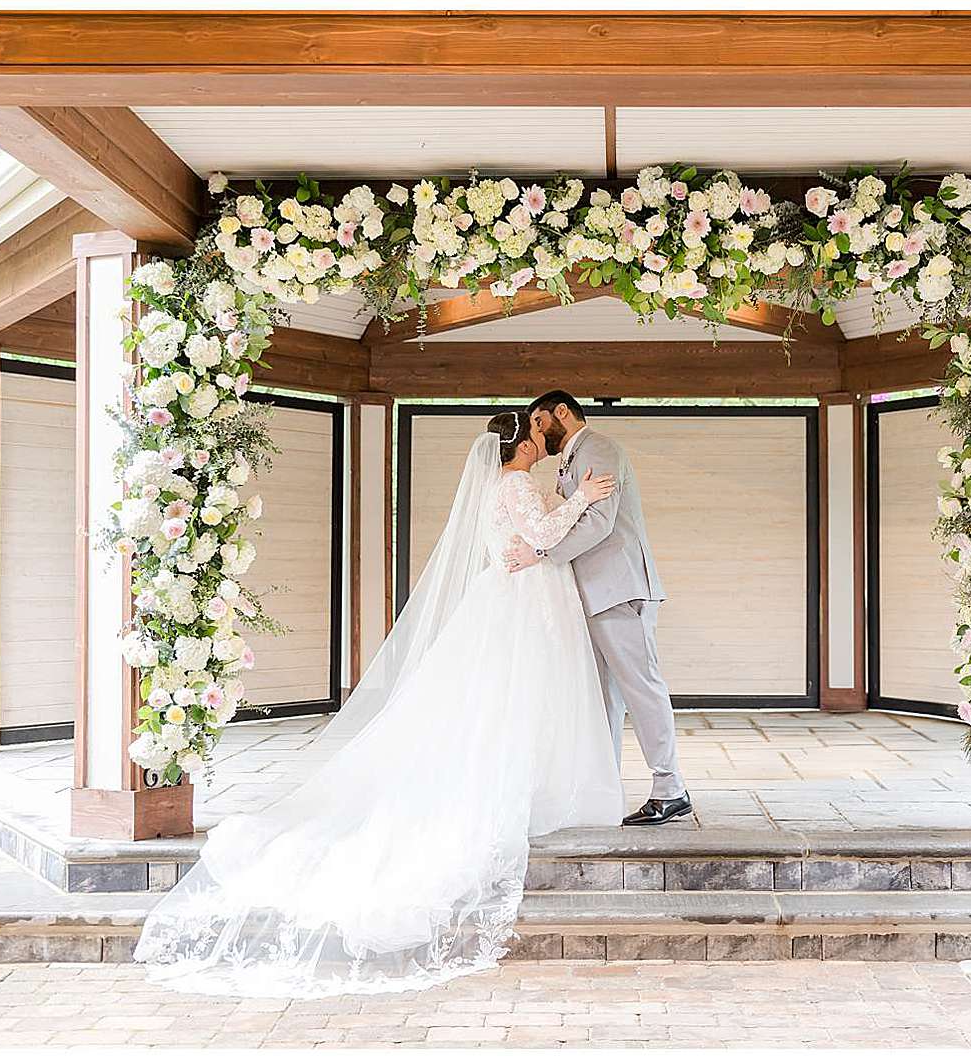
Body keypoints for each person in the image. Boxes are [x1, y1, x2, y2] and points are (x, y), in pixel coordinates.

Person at [134, 411, 624, 997]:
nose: (546, 436)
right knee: (523, 697)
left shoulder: (508, 485)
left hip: (517, 593)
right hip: (524, 602)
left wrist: (547, 535)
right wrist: (585, 499)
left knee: (515, 701)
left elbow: (531, 543)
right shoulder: (516, 485)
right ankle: (536, 786)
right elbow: (542, 538)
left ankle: (540, 780)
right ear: (519, 444)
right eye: (539, 429)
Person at [503, 390, 691, 826]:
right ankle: (603, 789)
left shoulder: (600, 448)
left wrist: (542, 554)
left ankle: (671, 787)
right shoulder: (571, 458)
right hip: (592, 595)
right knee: (603, 697)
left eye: (539, 421)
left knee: (641, 686)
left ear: (560, 413)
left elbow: (599, 522)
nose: (536, 431)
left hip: (619, 589)